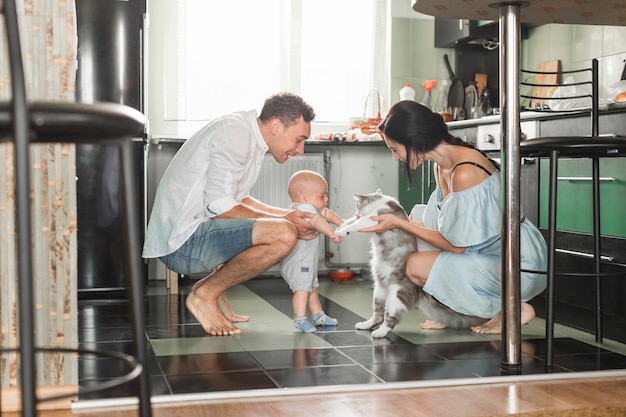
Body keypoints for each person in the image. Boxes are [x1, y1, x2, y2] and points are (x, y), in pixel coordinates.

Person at [361, 100, 547, 334]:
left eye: (395, 149)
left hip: (516, 262)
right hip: (485, 253)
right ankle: (453, 314)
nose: (396, 158)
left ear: (414, 141)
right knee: (406, 246)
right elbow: (445, 230)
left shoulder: (465, 171)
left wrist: (398, 223)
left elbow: (456, 245)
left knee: (414, 264)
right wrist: (393, 224)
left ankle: (511, 308)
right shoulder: (443, 166)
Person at [142, 92, 318, 336]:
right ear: (276, 126)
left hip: (193, 233)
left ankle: (214, 291)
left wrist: (285, 215)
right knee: (284, 234)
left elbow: (238, 199)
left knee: (281, 226)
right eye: (299, 140)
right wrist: (283, 222)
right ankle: (205, 295)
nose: (300, 150)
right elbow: (220, 208)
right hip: (182, 243)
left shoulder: (248, 136)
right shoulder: (236, 134)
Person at [280, 170, 344, 333]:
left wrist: (340, 222)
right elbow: (317, 220)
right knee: (303, 289)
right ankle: (300, 319)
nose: (326, 199)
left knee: (312, 288)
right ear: (304, 199)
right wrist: (331, 232)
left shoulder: (311, 207)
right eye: (322, 196)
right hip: (299, 262)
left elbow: (325, 214)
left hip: (306, 261)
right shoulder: (304, 209)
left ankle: (319, 316)